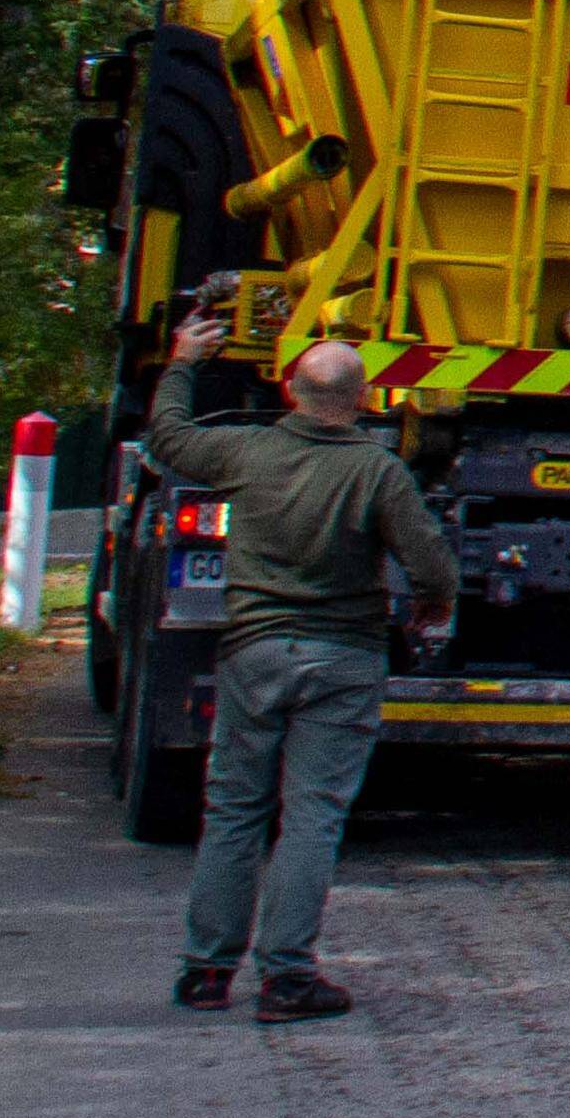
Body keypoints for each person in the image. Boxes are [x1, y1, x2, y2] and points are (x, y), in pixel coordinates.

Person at [144, 315, 457, 1025]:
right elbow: (430, 562)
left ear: (290, 390)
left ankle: (206, 970)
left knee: (234, 808)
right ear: (364, 397)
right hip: (343, 657)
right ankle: (287, 979)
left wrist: (183, 363)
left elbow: (168, 439)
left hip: (253, 653)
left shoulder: (247, 451)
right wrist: (432, 606)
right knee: (312, 813)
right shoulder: (377, 471)